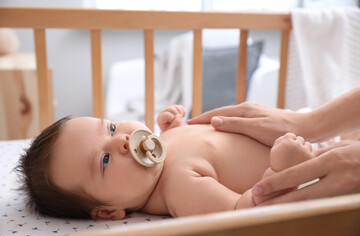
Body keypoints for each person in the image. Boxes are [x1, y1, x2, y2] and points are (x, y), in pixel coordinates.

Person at [17, 104, 318, 220]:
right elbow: (243, 211)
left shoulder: (159, 157)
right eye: (105, 160)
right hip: (311, 166)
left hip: (306, 128)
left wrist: (173, 130)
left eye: (110, 128)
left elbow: (200, 149)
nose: (122, 140)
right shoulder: (179, 188)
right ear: (108, 211)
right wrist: (285, 169)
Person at [188, 87, 360, 205]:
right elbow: (237, 211)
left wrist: (170, 126)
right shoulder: (177, 180)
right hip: (307, 163)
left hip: (310, 148)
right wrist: (280, 171)